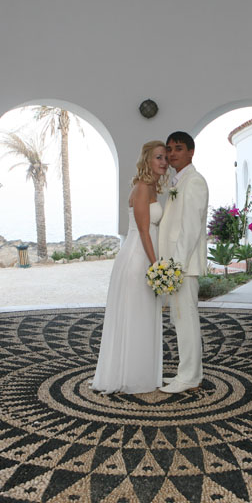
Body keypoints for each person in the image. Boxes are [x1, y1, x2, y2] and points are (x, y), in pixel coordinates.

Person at [91, 140, 169, 393]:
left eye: (165, 157)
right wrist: (157, 267)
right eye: (158, 157)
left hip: (146, 255)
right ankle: (131, 377)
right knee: (137, 316)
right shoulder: (142, 188)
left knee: (143, 317)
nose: (164, 162)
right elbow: (144, 231)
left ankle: (139, 373)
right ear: (147, 160)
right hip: (138, 258)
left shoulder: (152, 187)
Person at [158, 131, 209, 394]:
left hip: (183, 266)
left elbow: (190, 229)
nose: (172, 153)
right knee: (180, 321)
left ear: (191, 151)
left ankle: (189, 377)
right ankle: (187, 373)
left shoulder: (194, 181)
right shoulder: (178, 181)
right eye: (169, 149)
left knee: (185, 320)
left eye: (178, 148)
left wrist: (174, 268)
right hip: (175, 264)